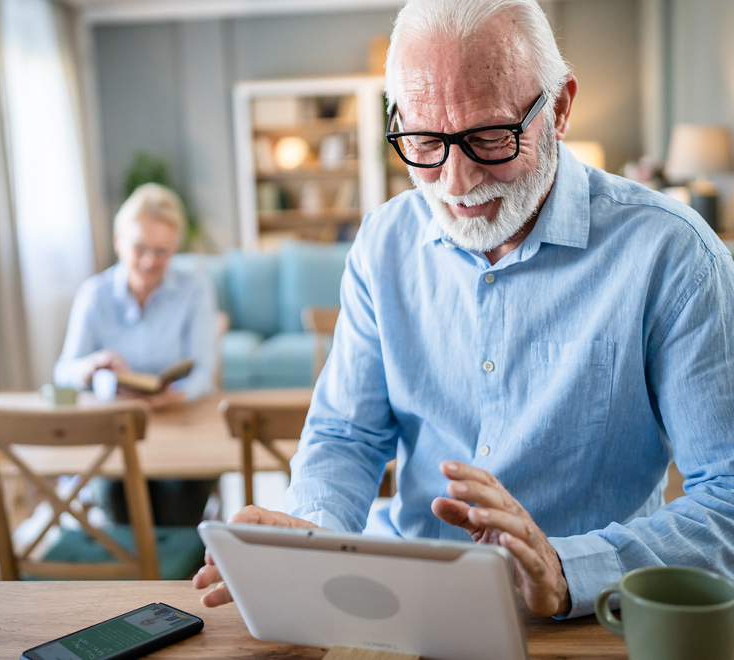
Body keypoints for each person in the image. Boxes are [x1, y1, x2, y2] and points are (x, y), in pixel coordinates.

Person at [195, 0, 734, 619]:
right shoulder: (383, 244)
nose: (455, 182)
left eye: (489, 137)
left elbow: (727, 498)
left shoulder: (675, 256)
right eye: (425, 141)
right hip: (408, 607)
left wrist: (567, 570)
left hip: (583, 624)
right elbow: (346, 435)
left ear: (559, 109)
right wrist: (314, 533)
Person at [54, 182, 218, 525]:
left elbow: (204, 370)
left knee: (180, 506)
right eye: (140, 247)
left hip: (178, 425)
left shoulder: (194, 289)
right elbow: (64, 372)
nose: (149, 261)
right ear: (118, 241)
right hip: (115, 430)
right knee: (117, 506)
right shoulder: (93, 294)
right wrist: (91, 366)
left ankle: (176, 557)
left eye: (162, 251)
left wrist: (178, 394)